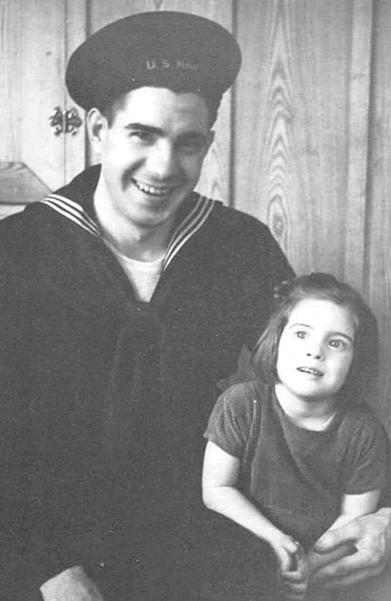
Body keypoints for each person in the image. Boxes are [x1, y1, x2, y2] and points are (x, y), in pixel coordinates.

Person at [0, 11, 294, 601]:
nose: (164, 167)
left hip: (198, 537)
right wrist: (43, 566)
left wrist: (372, 515)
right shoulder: (20, 253)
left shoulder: (241, 247)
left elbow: (312, 391)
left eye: (188, 143)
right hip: (36, 539)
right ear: (97, 128)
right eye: (142, 134)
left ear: (208, 143)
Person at [203, 273, 389, 600]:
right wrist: (276, 541)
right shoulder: (241, 404)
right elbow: (217, 489)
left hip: (326, 564)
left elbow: (355, 516)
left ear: (355, 361)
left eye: (336, 343)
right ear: (276, 340)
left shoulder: (364, 431)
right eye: (301, 334)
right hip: (249, 549)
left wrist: (310, 568)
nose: (315, 352)